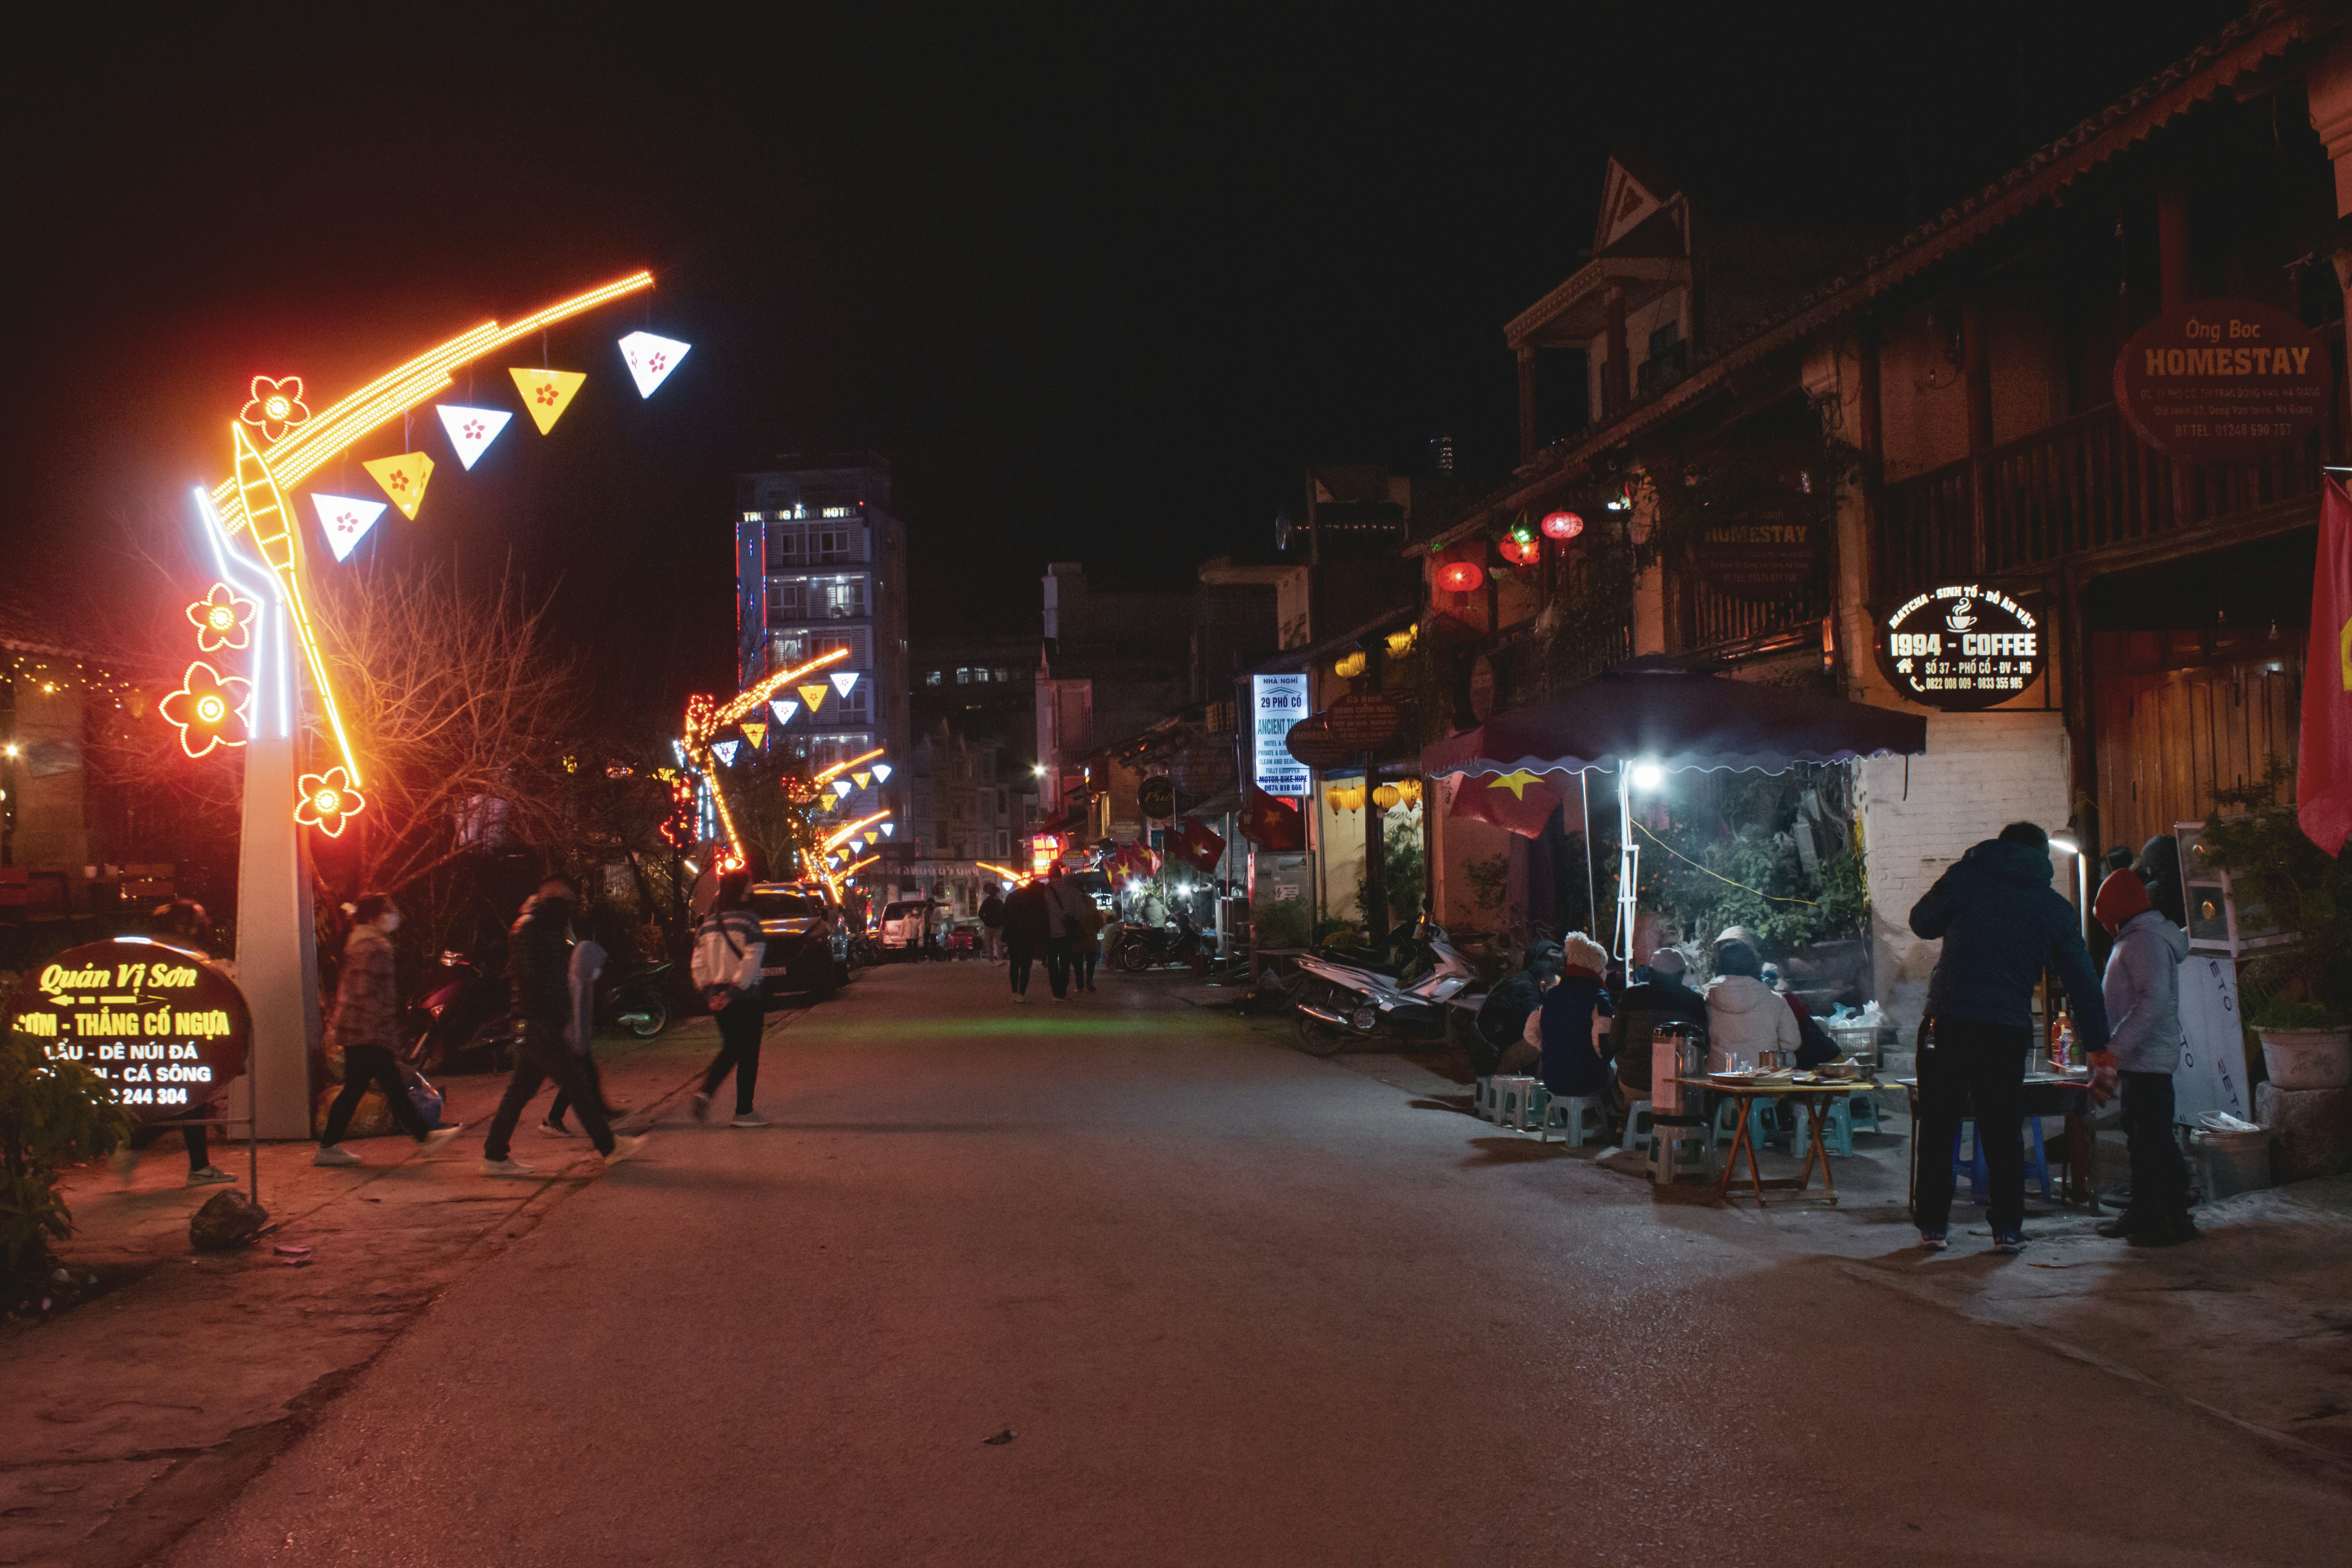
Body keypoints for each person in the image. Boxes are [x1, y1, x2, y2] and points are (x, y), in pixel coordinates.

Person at [1909, 822, 2110, 1254]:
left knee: (1939, 1125)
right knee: (2002, 1130)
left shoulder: (1967, 877)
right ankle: (2007, 1230)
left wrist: (1957, 877)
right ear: (2043, 857)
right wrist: (2098, 1046)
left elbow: (1922, 923)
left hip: (1948, 1023)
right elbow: (2082, 980)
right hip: (2005, 1030)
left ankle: (1933, 1226)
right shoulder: (2052, 906)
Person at [481, 877, 646, 1175]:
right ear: (552, 896)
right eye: (565, 900)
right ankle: (609, 1147)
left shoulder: (542, 926)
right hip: (542, 1022)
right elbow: (535, 977)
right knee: (577, 1084)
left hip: (540, 1021)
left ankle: (494, 1155)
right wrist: (559, 1013)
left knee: (520, 1091)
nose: (569, 906)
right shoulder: (532, 929)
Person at [315, 894, 463, 1167]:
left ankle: (329, 1146)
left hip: (356, 1028)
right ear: (374, 916)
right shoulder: (374, 946)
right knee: (391, 1085)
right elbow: (369, 994)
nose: (395, 914)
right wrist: (385, 1032)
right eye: (389, 910)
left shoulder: (358, 941)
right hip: (368, 1030)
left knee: (360, 1087)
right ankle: (424, 1137)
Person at [2091, 867, 2196, 1247]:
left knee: (2153, 1141)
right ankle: (2146, 1212)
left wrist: (2114, 1050)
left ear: (2116, 912)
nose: (2104, 926)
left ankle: (2170, 1218)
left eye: (2105, 917)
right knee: (2142, 1140)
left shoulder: (2144, 942)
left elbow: (2153, 1002)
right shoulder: (2137, 939)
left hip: (2147, 1058)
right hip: (2139, 1058)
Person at [688, 869, 769, 1128]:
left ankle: (706, 1092)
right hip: (746, 996)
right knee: (748, 1053)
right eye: (749, 885)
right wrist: (733, 992)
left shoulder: (707, 926)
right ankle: (744, 1111)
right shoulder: (750, 922)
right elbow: (752, 961)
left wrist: (711, 994)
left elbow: (698, 964)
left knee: (732, 1046)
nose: (752, 889)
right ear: (741, 890)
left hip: (718, 997)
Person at [541, 923, 623, 1138]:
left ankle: (590, 1115)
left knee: (582, 1079)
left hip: (576, 1041)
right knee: (580, 1080)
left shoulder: (583, 981)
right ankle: (561, 1119)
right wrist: (579, 1045)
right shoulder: (577, 984)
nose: (599, 968)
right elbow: (576, 1016)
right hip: (573, 1041)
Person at [1610, 947, 1707, 1105]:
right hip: (1680, 1085)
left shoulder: (1631, 996)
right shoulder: (1694, 1002)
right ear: (1682, 974)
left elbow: (1614, 1041)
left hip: (1634, 1083)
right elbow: (1704, 1046)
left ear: (1651, 972)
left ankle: (1630, 1117)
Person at [1528, 932, 1616, 1103]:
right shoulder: (1599, 997)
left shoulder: (1551, 995)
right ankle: (1601, 1116)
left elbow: (1530, 1033)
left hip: (1552, 1080)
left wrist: (1550, 1049)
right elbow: (1602, 1044)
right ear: (1597, 969)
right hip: (1588, 1081)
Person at [1702, 939, 1798, 1070]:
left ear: (1720, 965)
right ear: (1753, 964)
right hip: (1764, 1073)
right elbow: (1792, 1042)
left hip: (1720, 1074)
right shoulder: (1776, 1000)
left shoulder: (1709, 999)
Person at [1474, 944, 1561, 1079]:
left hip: (1492, 1053)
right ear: (1543, 986)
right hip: (1493, 1063)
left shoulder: (1524, 981)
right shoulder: (1525, 990)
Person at [1003, 875, 1051, 1002]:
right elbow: (1042, 920)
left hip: (1013, 934)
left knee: (1014, 963)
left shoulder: (1013, 896)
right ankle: (1022, 994)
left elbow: (1005, 914)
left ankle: (1014, 992)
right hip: (1028, 936)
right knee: (1025, 965)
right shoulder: (1037, 900)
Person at [1043, 865, 1086, 1000]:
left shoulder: (1045, 892)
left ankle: (1056, 991)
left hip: (1050, 933)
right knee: (1065, 962)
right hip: (1067, 933)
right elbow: (1081, 913)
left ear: (1049, 876)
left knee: (1052, 963)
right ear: (1061, 875)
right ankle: (1063, 990)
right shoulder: (1071, 891)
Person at [1073, 891, 1104, 992]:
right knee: (1091, 961)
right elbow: (1100, 922)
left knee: (1078, 963)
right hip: (1091, 938)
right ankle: (1089, 981)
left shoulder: (1075, 908)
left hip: (1078, 938)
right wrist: (1093, 931)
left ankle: (1080, 986)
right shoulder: (1093, 909)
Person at [979, 887, 1007, 961]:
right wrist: (986, 921)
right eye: (998, 893)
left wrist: (986, 921)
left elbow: (981, 914)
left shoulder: (996, 902)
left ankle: (995, 960)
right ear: (995, 893)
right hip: (993, 926)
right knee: (993, 944)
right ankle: (994, 960)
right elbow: (980, 913)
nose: (999, 894)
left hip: (994, 926)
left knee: (995, 944)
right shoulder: (992, 902)